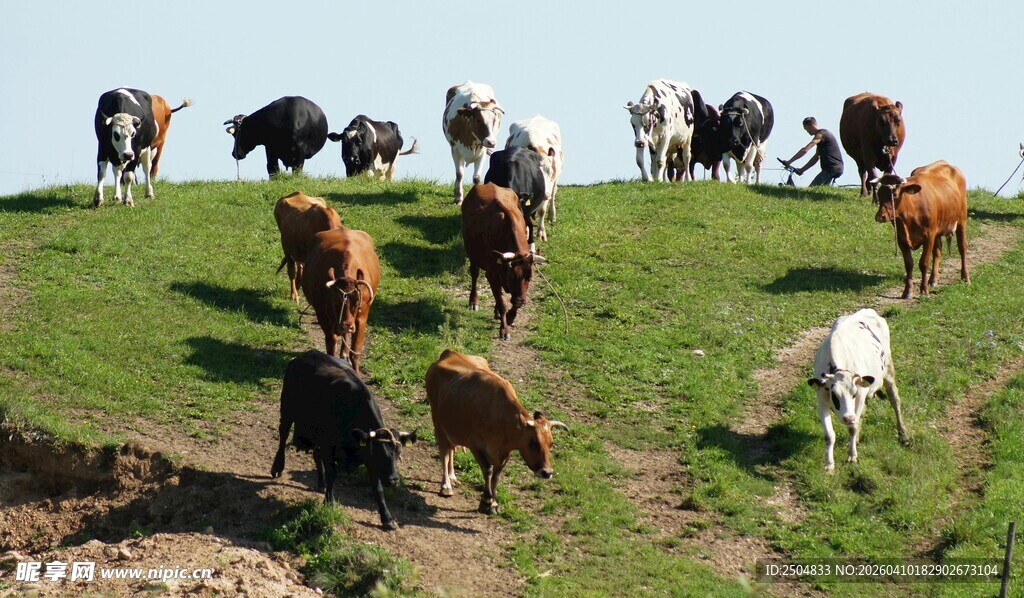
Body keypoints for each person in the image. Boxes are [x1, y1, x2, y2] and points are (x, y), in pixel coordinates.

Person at [781, 117, 844, 186]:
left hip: (831, 168)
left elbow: (805, 150)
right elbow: (816, 158)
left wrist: (789, 162)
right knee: (820, 192)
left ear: (810, 125)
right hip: (836, 168)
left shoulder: (820, 134)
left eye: (806, 129)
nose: (807, 131)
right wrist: (802, 169)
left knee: (811, 190)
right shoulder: (824, 136)